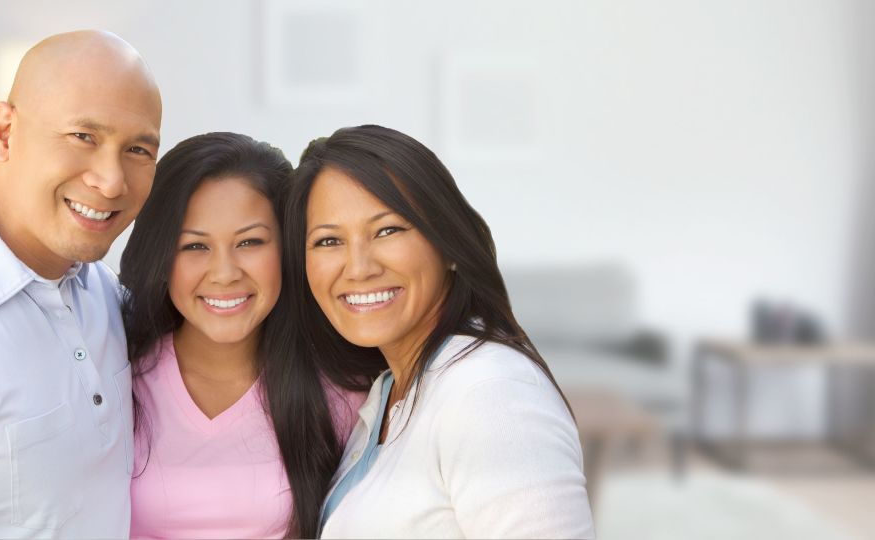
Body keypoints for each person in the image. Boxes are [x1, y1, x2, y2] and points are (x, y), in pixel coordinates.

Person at [282, 125, 596, 539]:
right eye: (327, 241)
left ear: (447, 245)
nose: (358, 267)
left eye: (388, 230)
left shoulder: (489, 392)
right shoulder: (388, 393)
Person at [0, 31, 161, 538]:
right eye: (83, 136)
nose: (112, 181)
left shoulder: (107, 297)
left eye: (138, 148)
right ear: (5, 132)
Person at [120, 132, 363, 539]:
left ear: (287, 247)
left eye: (249, 242)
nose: (225, 273)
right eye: (195, 247)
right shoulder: (113, 372)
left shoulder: (343, 392)